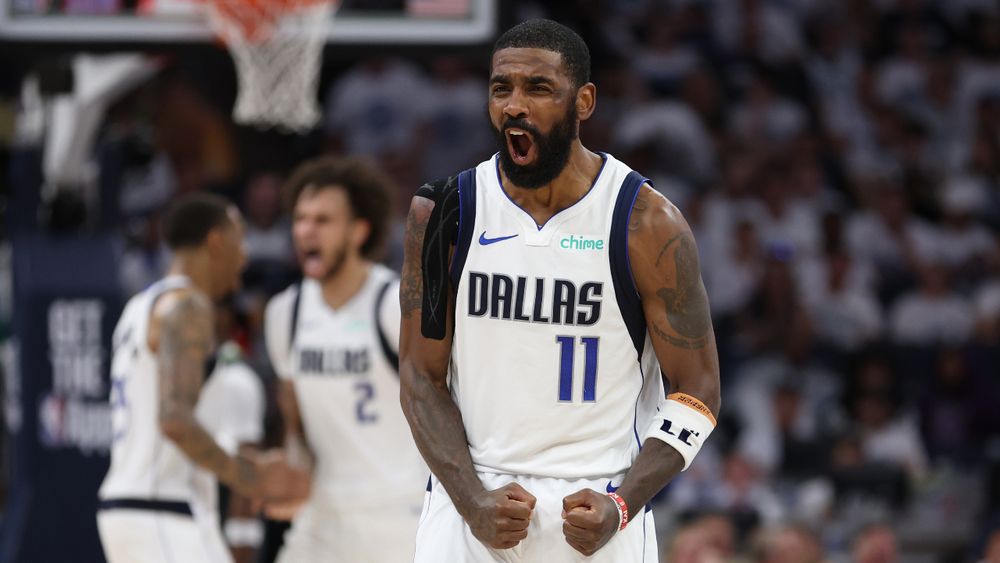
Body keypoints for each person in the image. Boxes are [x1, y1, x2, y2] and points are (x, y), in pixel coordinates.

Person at [400, 19, 721, 562]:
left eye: (538, 88)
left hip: (599, 507)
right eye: (501, 88)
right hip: (471, 503)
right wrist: (472, 500)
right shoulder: (444, 213)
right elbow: (419, 377)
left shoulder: (645, 223)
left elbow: (699, 388)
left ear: (584, 101)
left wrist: (624, 504)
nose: (514, 106)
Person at [98, 192, 309, 563]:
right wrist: (254, 477)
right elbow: (174, 420)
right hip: (162, 509)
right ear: (216, 241)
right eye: (240, 239)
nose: (245, 256)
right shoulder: (188, 306)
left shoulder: (139, 307)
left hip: (140, 507)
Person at [263, 156, 427, 562]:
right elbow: (295, 423)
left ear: (359, 230)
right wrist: (292, 468)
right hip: (323, 513)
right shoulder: (285, 313)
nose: (306, 231)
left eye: (323, 220)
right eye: (300, 219)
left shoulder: (393, 305)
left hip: (398, 511)